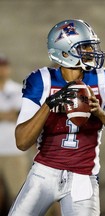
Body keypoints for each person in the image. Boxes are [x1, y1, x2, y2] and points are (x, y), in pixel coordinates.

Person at [8, 19, 105, 216]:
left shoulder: (104, 80)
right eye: (84, 46)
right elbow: (22, 142)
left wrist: (101, 114)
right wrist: (48, 105)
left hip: (83, 176)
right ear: (64, 52)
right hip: (44, 173)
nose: (91, 51)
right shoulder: (42, 80)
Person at [0, 54, 29, 209]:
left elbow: (21, 114)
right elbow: (13, 113)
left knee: (18, 194)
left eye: (4, 66)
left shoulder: (18, 89)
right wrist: (9, 114)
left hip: (13, 149)